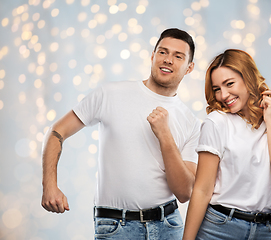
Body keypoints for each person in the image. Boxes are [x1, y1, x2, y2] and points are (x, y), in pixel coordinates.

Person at [41, 28, 201, 240]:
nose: (168, 60)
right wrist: (49, 184)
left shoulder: (191, 122)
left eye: (178, 56)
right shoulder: (110, 94)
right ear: (153, 56)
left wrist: (165, 135)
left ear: (189, 68)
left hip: (168, 226)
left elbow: (184, 193)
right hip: (116, 227)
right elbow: (57, 132)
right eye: (163, 52)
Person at [182, 49, 271, 240]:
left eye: (229, 84)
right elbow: (202, 190)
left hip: (267, 230)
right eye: (217, 89)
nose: (223, 95)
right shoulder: (217, 122)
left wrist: (270, 122)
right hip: (220, 228)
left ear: (248, 78)